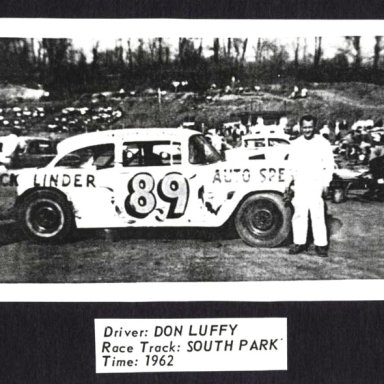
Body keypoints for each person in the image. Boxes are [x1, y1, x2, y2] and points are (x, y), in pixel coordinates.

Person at [285, 114, 335, 257]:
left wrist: (326, 183)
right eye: (304, 127)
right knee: (299, 214)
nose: (307, 130)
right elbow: (290, 165)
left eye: (310, 127)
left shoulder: (322, 143)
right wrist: (287, 183)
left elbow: (329, 165)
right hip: (300, 183)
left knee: (317, 215)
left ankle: (321, 245)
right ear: (301, 127)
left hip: (316, 183)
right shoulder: (296, 144)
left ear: (315, 127)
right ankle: (299, 242)